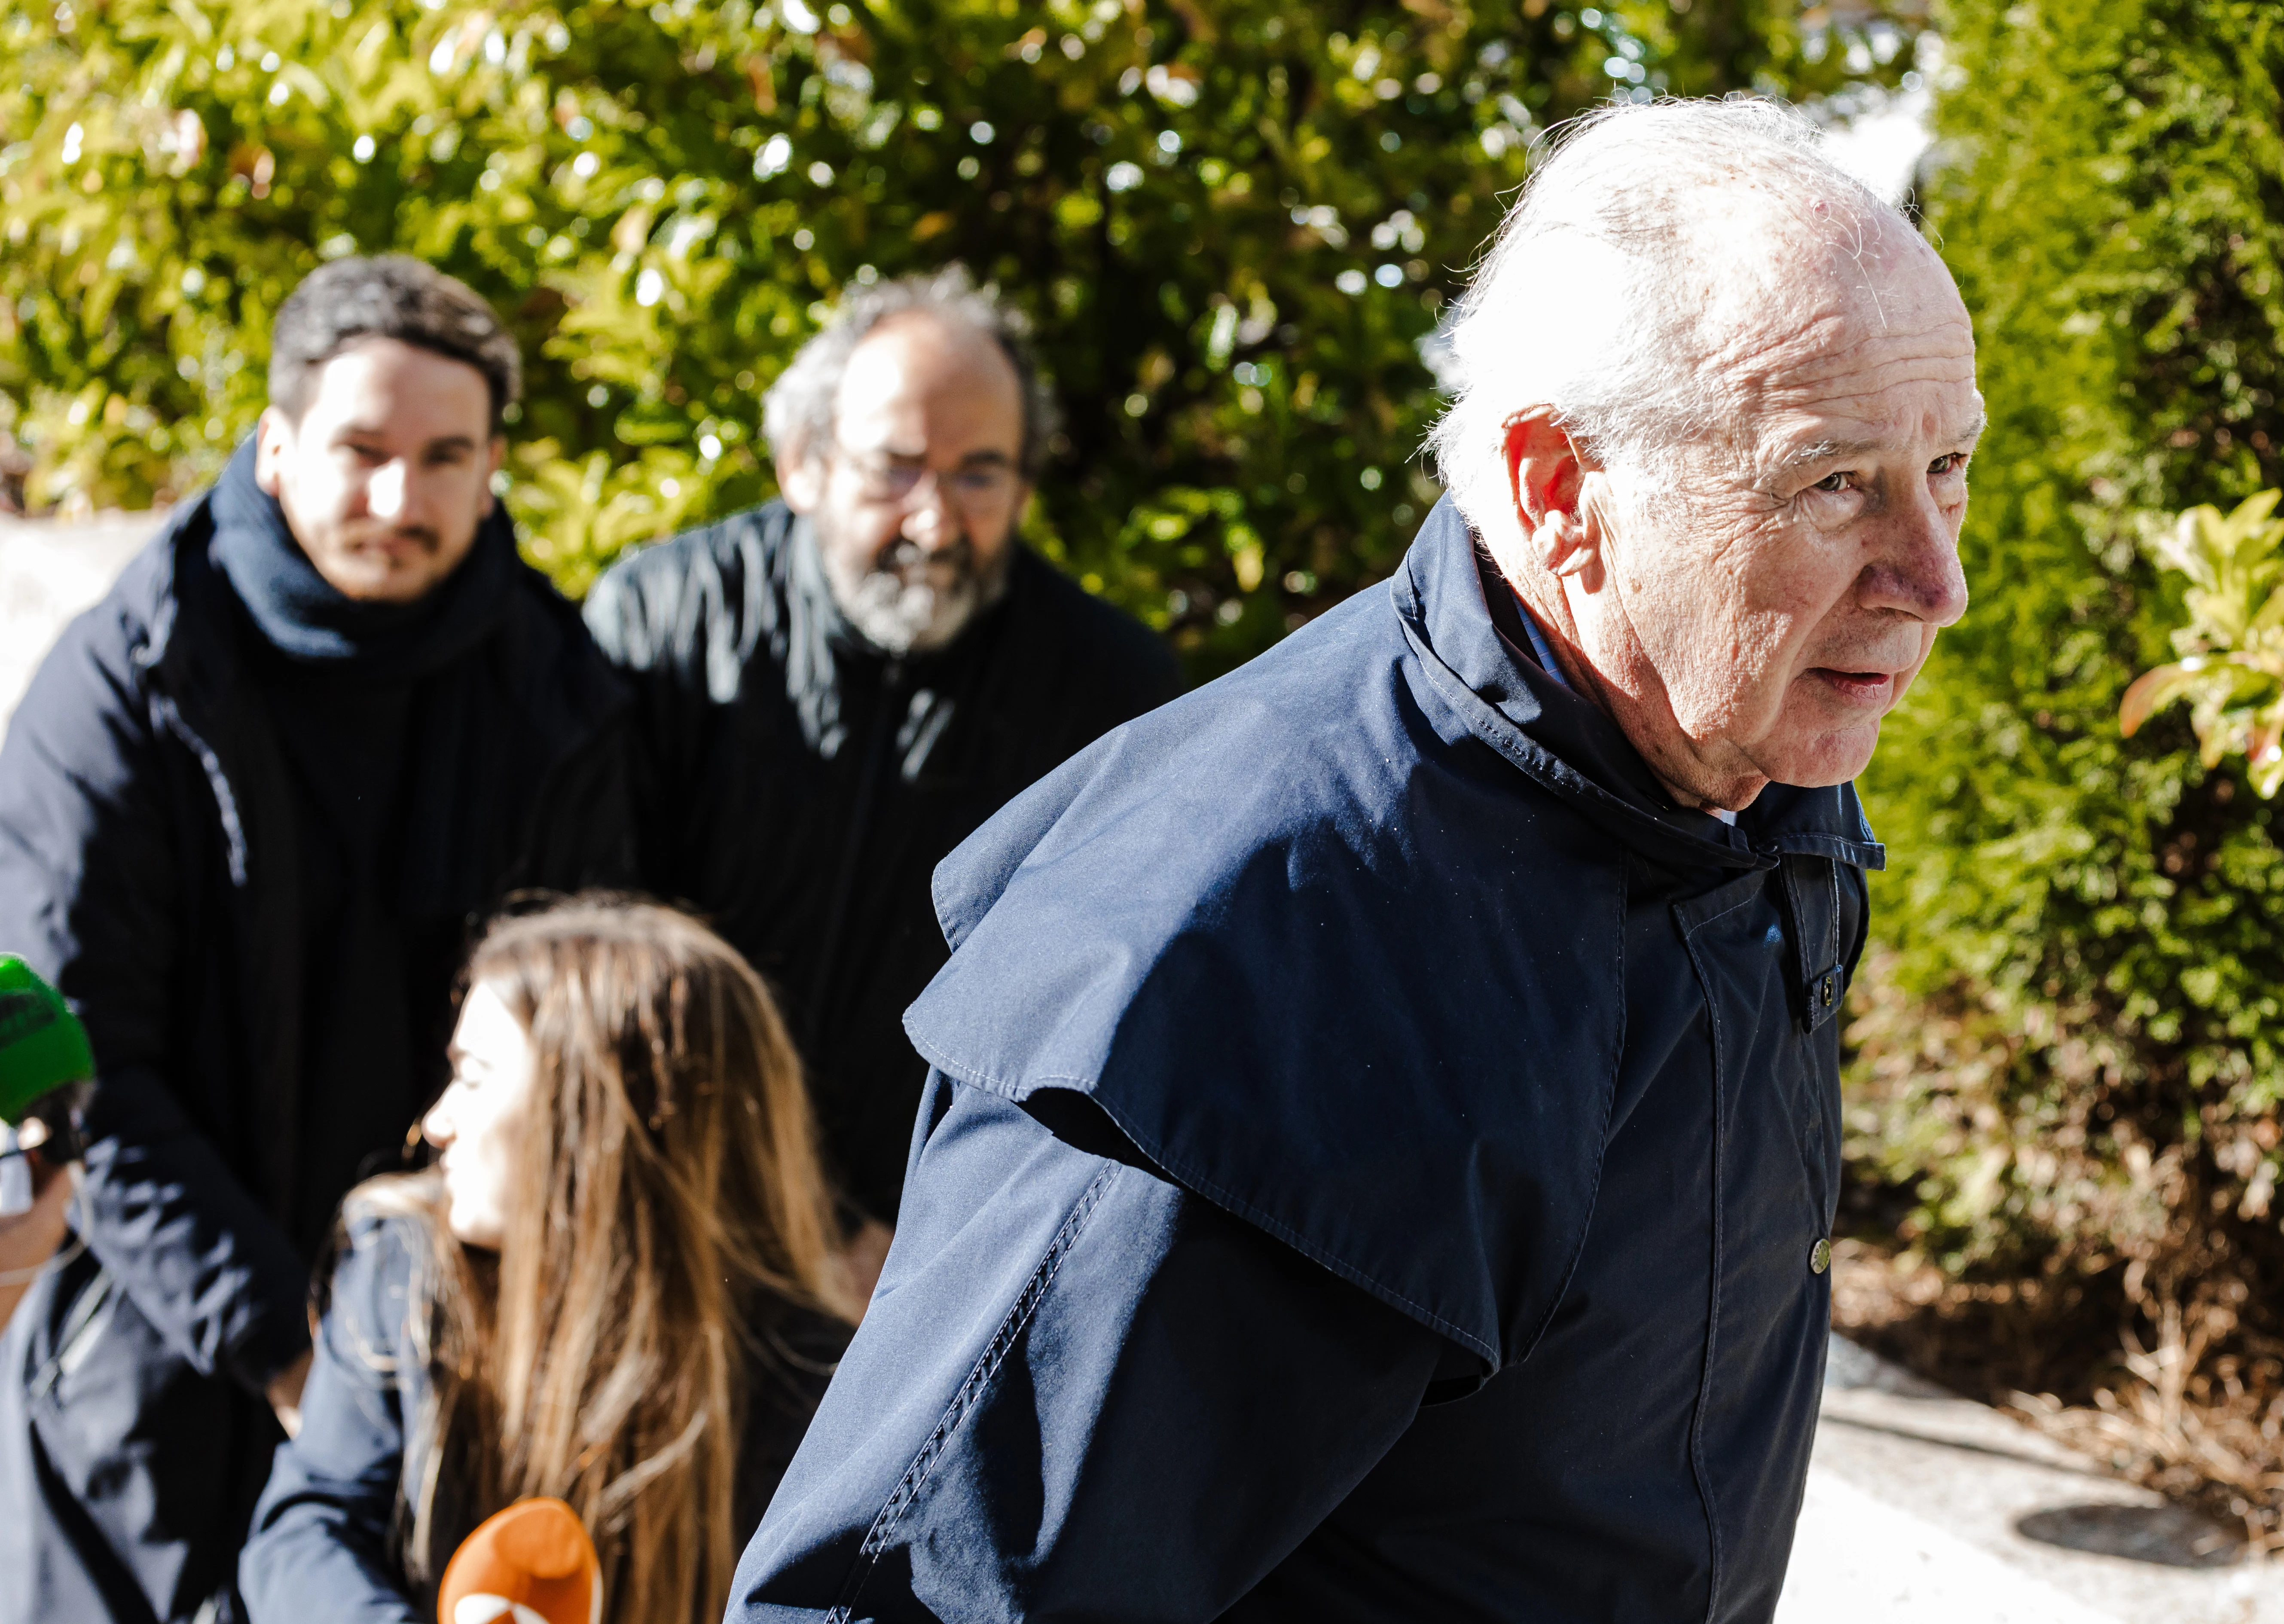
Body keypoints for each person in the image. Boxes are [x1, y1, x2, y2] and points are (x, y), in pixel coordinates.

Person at [729, 96, 1979, 1622]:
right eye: (1836, 483)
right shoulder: (1244, 954)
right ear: (1555, 491)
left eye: (1951, 468)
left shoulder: (1745, 761)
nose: (1939, 580)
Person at [0, 256, 636, 1624]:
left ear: (493, 467)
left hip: (448, 1370)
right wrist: (291, 1347)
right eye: (361, 450)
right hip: (155, 1370)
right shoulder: (127, 685)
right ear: (277, 441)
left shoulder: (557, 687)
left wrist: (407, 1357)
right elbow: (85, 1079)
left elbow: (587, 1047)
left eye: (443, 458)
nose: (400, 499)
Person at [582, 270, 1179, 1285]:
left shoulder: (1108, 690)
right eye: (894, 470)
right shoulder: (660, 625)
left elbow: (1098, 1018)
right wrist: (763, 1209)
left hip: (922, 1266)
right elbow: (596, 940)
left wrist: (927, 1240)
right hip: (655, 1221)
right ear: (802, 465)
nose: (935, 522)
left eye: (979, 475)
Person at [239, 898, 858, 1624]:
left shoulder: (810, 1384)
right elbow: (305, 1526)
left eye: (472, 1076)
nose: (434, 1124)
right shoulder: (404, 1266)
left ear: (600, 1115)